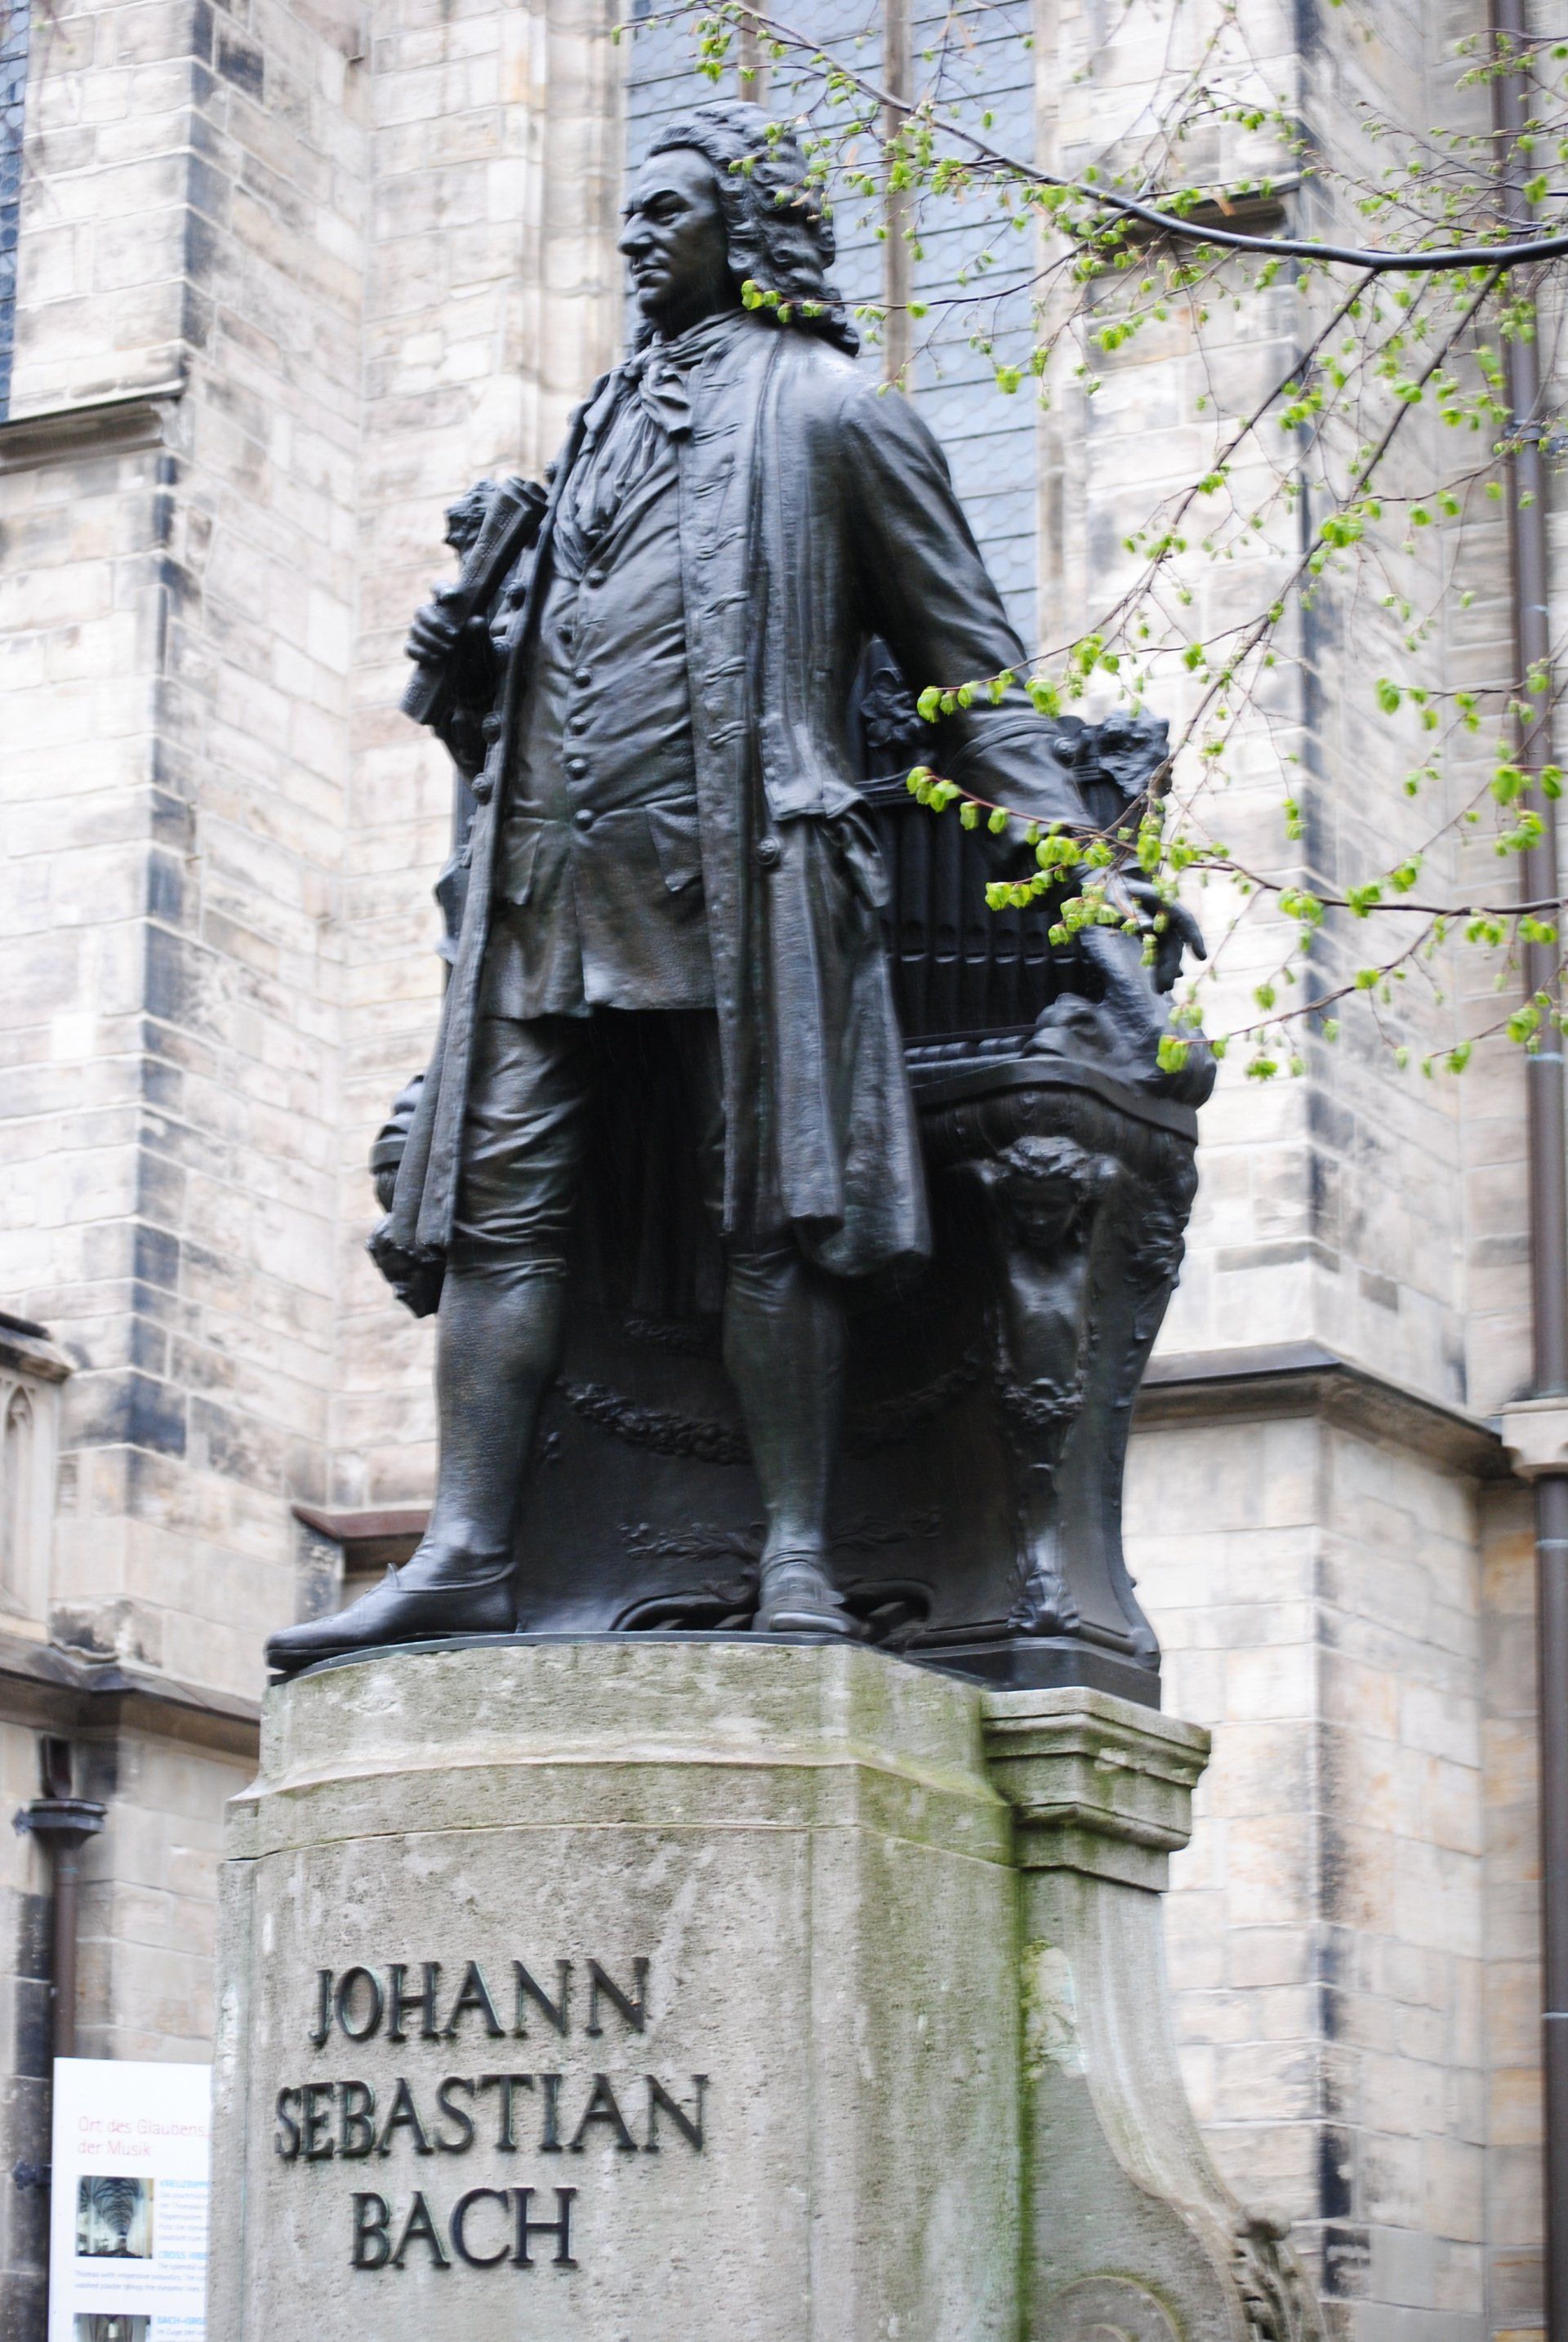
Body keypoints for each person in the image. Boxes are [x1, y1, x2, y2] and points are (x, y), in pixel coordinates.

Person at [265, 100, 1095, 1672]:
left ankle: (796, 1562)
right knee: (500, 1212)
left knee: (769, 1213)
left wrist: (1077, 877)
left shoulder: (841, 414)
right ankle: (464, 1551)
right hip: (548, 893)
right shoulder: (589, 432)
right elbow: (524, 686)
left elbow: (971, 677)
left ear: (750, 229)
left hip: (749, 879)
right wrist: (466, 664)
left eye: (668, 209)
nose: (635, 235)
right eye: (630, 213)